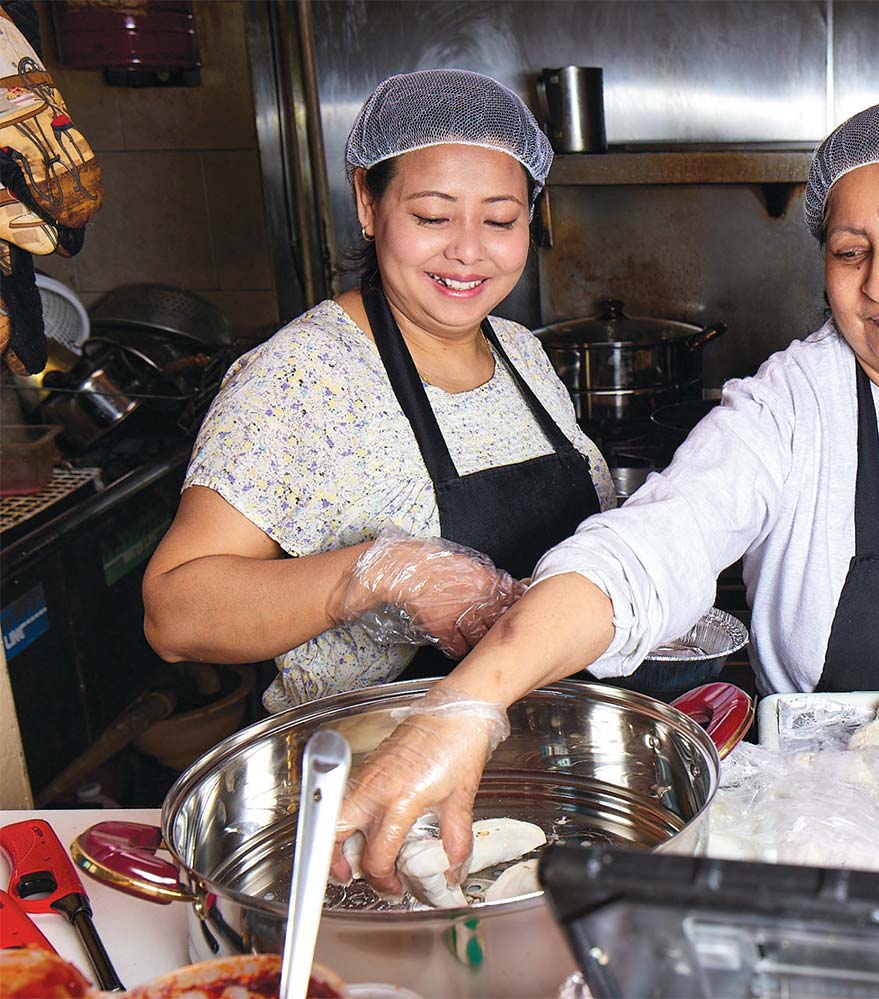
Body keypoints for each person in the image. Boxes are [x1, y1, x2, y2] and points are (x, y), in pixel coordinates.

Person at [333, 99, 879, 894]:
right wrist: (466, 704)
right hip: (843, 849)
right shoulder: (791, 410)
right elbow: (643, 553)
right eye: (850, 251)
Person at [142, 70, 613, 712]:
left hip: (543, 753)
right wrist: (376, 573)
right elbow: (175, 616)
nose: (468, 250)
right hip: (374, 765)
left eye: (500, 220)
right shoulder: (302, 377)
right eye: (432, 216)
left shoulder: (522, 351)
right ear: (368, 204)